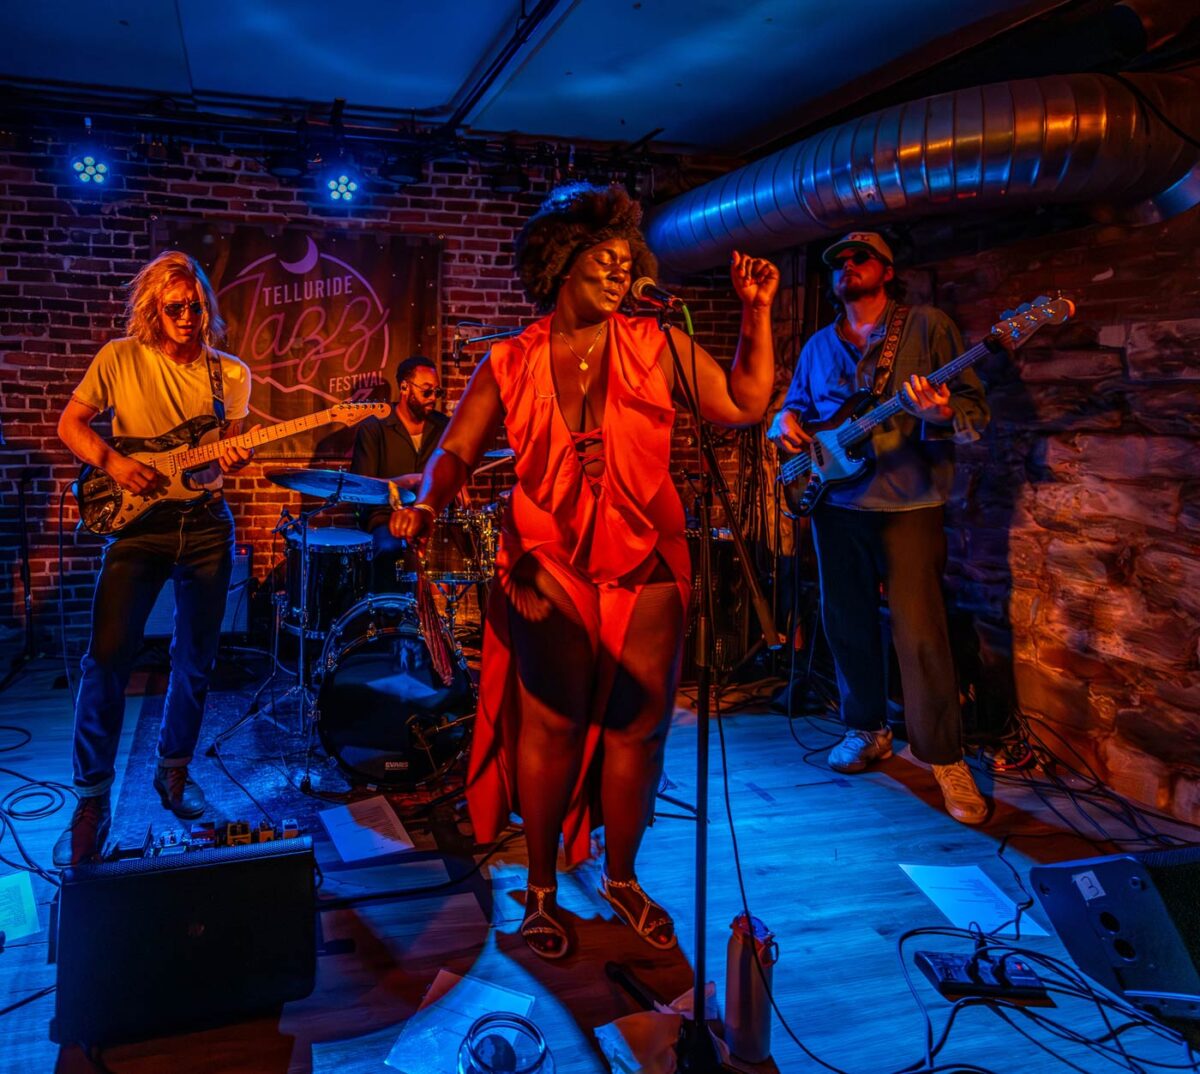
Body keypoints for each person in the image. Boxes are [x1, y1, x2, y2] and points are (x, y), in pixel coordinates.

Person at [390, 183, 778, 959]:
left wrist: (757, 311)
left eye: (625, 259)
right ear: (560, 262)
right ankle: (537, 884)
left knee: (641, 729)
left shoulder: (658, 342)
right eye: (601, 258)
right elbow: (456, 450)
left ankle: (624, 877)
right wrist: (428, 504)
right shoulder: (510, 359)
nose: (616, 269)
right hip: (552, 556)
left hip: (649, 549)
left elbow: (743, 401)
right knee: (555, 724)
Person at [767, 231, 990, 824]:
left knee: (921, 633)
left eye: (860, 257)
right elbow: (793, 408)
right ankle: (865, 728)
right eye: (838, 261)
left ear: (887, 270)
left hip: (909, 503)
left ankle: (943, 757)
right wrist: (783, 419)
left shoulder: (927, 326)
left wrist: (939, 413)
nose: (847, 266)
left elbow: (972, 410)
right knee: (846, 626)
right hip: (835, 505)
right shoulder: (819, 344)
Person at [53, 251, 253, 867]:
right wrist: (114, 462)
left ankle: (173, 770)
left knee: (195, 661)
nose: (188, 316)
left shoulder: (233, 375)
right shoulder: (119, 357)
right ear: (153, 310)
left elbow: (217, 456)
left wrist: (230, 458)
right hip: (137, 530)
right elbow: (72, 424)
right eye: (175, 307)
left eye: (196, 305)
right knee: (106, 660)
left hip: (204, 526)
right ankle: (91, 799)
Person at [349, 355, 449, 588]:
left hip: (432, 518)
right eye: (427, 391)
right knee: (389, 549)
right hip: (388, 518)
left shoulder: (444, 426)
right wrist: (409, 480)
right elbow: (363, 488)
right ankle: (389, 617)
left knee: (474, 549)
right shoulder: (374, 428)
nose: (433, 398)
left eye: (437, 392)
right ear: (404, 387)